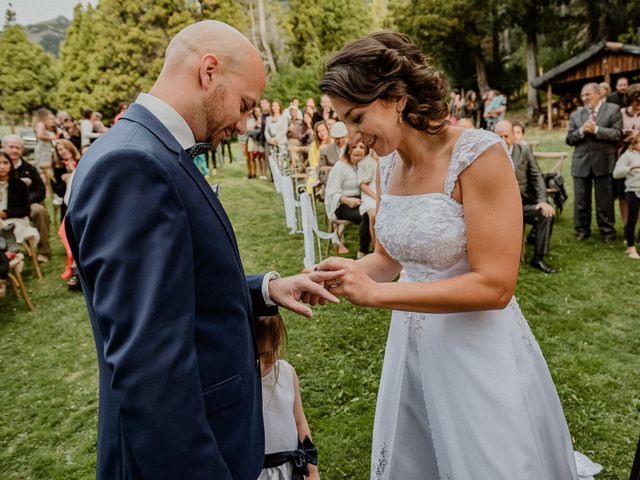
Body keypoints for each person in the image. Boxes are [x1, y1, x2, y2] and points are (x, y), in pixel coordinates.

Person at [64, 21, 341, 480]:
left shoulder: (153, 150)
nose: (244, 122)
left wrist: (267, 290)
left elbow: (179, 289)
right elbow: (151, 370)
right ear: (209, 71)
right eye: (245, 104)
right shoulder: (132, 164)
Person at [315, 31, 598, 479]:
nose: (352, 135)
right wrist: (345, 271)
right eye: (343, 122)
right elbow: (388, 259)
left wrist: (376, 296)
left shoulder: (478, 154)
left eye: (357, 117)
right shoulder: (388, 164)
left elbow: (496, 285)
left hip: (474, 348)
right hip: (411, 344)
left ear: (396, 97)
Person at [256, 314, 319, 480]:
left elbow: (300, 422)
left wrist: (312, 471)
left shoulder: (286, 373)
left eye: (269, 355)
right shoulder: (243, 384)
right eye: (257, 357)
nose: (263, 365)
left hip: (289, 471)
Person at [495, 120, 556, 273]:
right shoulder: (489, 154)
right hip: (498, 208)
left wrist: (542, 201)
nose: (503, 140)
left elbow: (537, 176)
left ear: (513, 136)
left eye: (506, 136)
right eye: (499, 136)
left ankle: (538, 258)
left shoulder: (523, 150)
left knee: (546, 213)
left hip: (522, 205)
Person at [566, 82, 622, 242]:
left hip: (604, 162)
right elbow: (569, 139)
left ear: (599, 94)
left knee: (604, 200)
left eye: (587, 94)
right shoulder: (576, 115)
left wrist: (596, 130)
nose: (584, 98)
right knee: (581, 201)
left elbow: (617, 134)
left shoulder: (613, 110)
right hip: (581, 163)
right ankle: (582, 230)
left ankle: (607, 232)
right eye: (582, 95)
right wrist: (582, 130)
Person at [1, 135, 51, 262]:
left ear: (22, 150)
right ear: (3, 147)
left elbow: (41, 191)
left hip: (28, 203)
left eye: (18, 148)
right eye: (11, 147)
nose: (14, 150)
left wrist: (23, 200)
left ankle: (43, 251)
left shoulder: (29, 168)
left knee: (40, 211)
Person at [324, 141, 372, 258]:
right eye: (354, 147)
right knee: (367, 214)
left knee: (374, 212)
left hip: (360, 201)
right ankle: (363, 252)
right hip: (342, 205)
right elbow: (331, 192)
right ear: (348, 150)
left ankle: (378, 251)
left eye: (362, 147)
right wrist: (346, 200)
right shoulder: (340, 167)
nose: (358, 150)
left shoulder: (363, 165)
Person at [613, 132, 640, 259]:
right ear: (633, 144)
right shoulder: (627, 156)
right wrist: (629, 168)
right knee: (632, 219)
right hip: (633, 191)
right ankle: (631, 247)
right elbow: (616, 173)